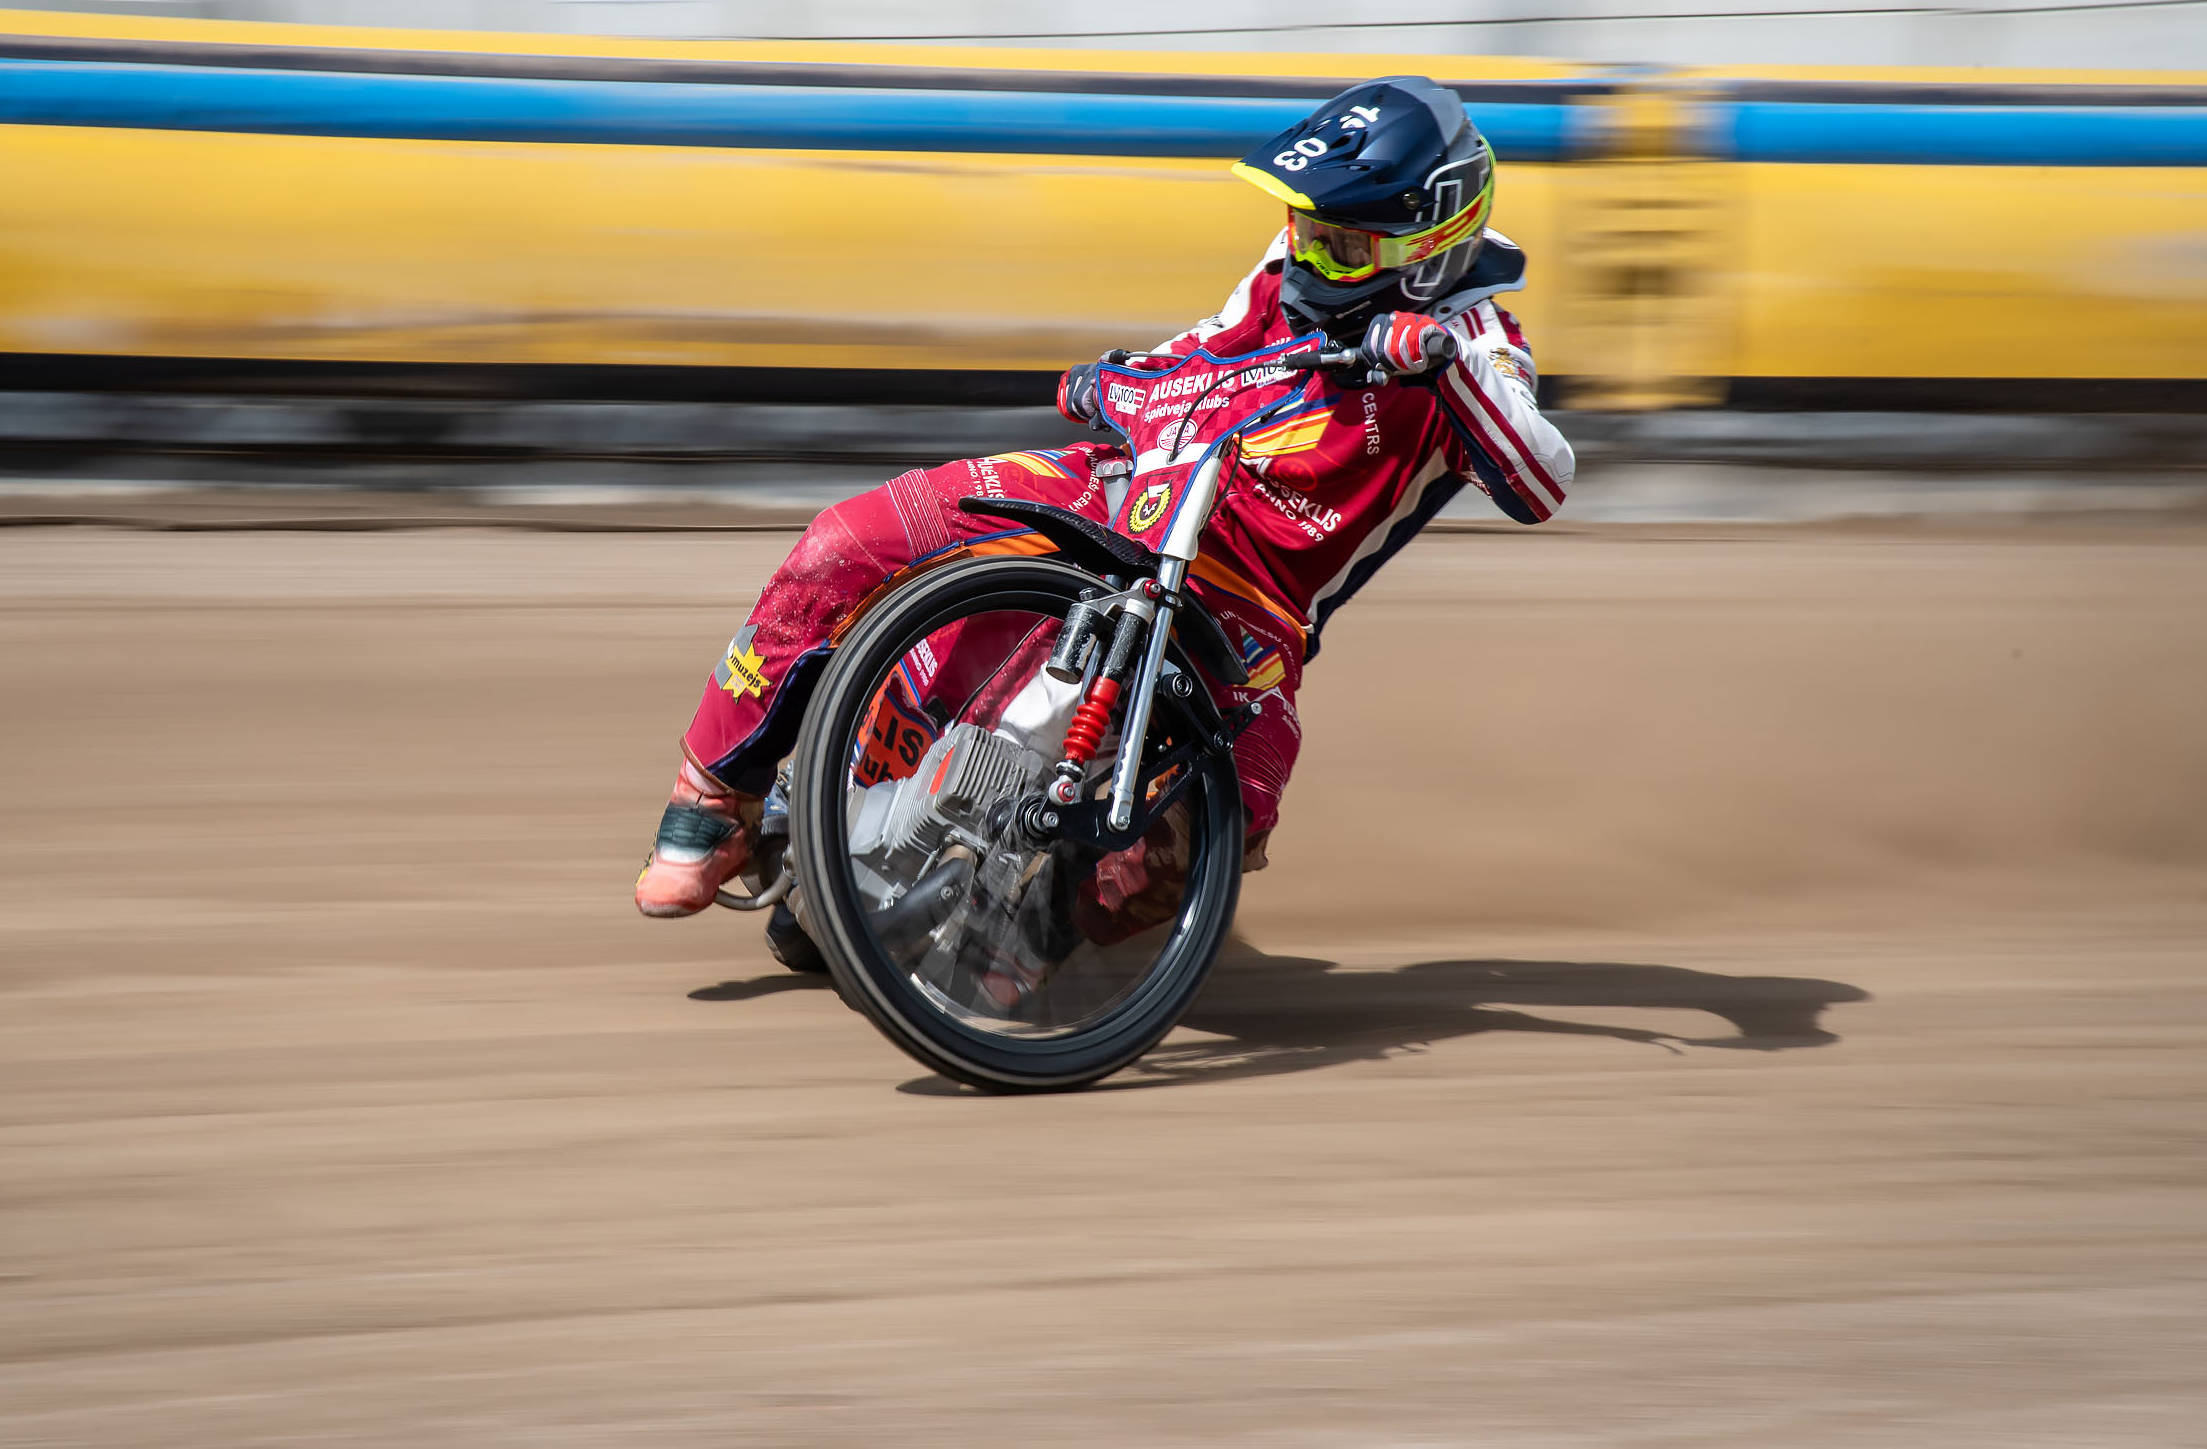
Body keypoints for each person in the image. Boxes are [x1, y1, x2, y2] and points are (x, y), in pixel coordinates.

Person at [634, 75, 1576, 947]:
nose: (1309, 253)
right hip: (1127, 486)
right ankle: (713, 795)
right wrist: (1117, 377)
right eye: (1305, 225)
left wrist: (1444, 356)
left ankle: (1021, 945)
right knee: (847, 538)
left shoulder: (1484, 343)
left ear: (1430, 239)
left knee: (1222, 816)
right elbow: (1199, 347)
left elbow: (1541, 480)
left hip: (1247, 605)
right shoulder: (1294, 258)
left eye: (1341, 240)